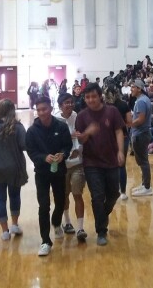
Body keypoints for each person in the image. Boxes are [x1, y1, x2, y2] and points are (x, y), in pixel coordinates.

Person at [75, 82, 126, 245]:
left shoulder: (112, 111)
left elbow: (119, 131)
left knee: (114, 194)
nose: (90, 100)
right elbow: (81, 140)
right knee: (97, 196)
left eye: (93, 96)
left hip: (111, 160)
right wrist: (87, 133)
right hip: (91, 162)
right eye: (87, 97)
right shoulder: (82, 116)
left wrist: (120, 151)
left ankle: (102, 216)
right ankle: (101, 231)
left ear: (100, 97)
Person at [25, 97, 73, 256]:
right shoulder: (32, 131)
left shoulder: (61, 125)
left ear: (50, 108)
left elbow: (68, 145)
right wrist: (43, 158)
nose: (41, 112)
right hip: (42, 173)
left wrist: (63, 155)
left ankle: (57, 222)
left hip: (59, 172)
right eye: (38, 110)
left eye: (44, 109)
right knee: (43, 206)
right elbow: (31, 151)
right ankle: (45, 240)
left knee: (60, 202)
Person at [0, 98, 28, 241]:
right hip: (14, 167)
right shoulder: (18, 127)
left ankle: (4, 231)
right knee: (15, 196)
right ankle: (14, 224)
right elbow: (25, 145)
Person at [55, 93, 87, 240]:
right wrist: (70, 136)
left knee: (77, 194)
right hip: (62, 164)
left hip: (78, 163)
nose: (70, 105)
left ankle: (80, 228)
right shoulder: (55, 119)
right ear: (60, 105)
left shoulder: (78, 117)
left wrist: (79, 148)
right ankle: (67, 222)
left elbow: (83, 137)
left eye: (71, 102)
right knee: (64, 195)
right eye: (66, 102)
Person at [129, 79, 153, 197]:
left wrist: (129, 124)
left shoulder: (141, 102)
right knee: (143, 161)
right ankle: (144, 184)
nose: (131, 89)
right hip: (143, 133)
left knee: (143, 161)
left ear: (139, 88)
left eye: (133, 87)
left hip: (140, 134)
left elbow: (141, 119)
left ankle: (147, 187)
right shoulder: (144, 99)